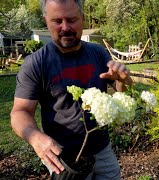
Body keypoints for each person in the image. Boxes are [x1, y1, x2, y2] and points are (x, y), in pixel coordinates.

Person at [10, 0, 132, 179]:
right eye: (57, 21)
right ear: (46, 20)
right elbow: (20, 112)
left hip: (102, 150)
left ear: (82, 18)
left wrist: (122, 82)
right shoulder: (36, 63)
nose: (65, 27)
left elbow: (122, 93)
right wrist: (34, 137)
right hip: (64, 159)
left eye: (72, 20)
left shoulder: (98, 53)